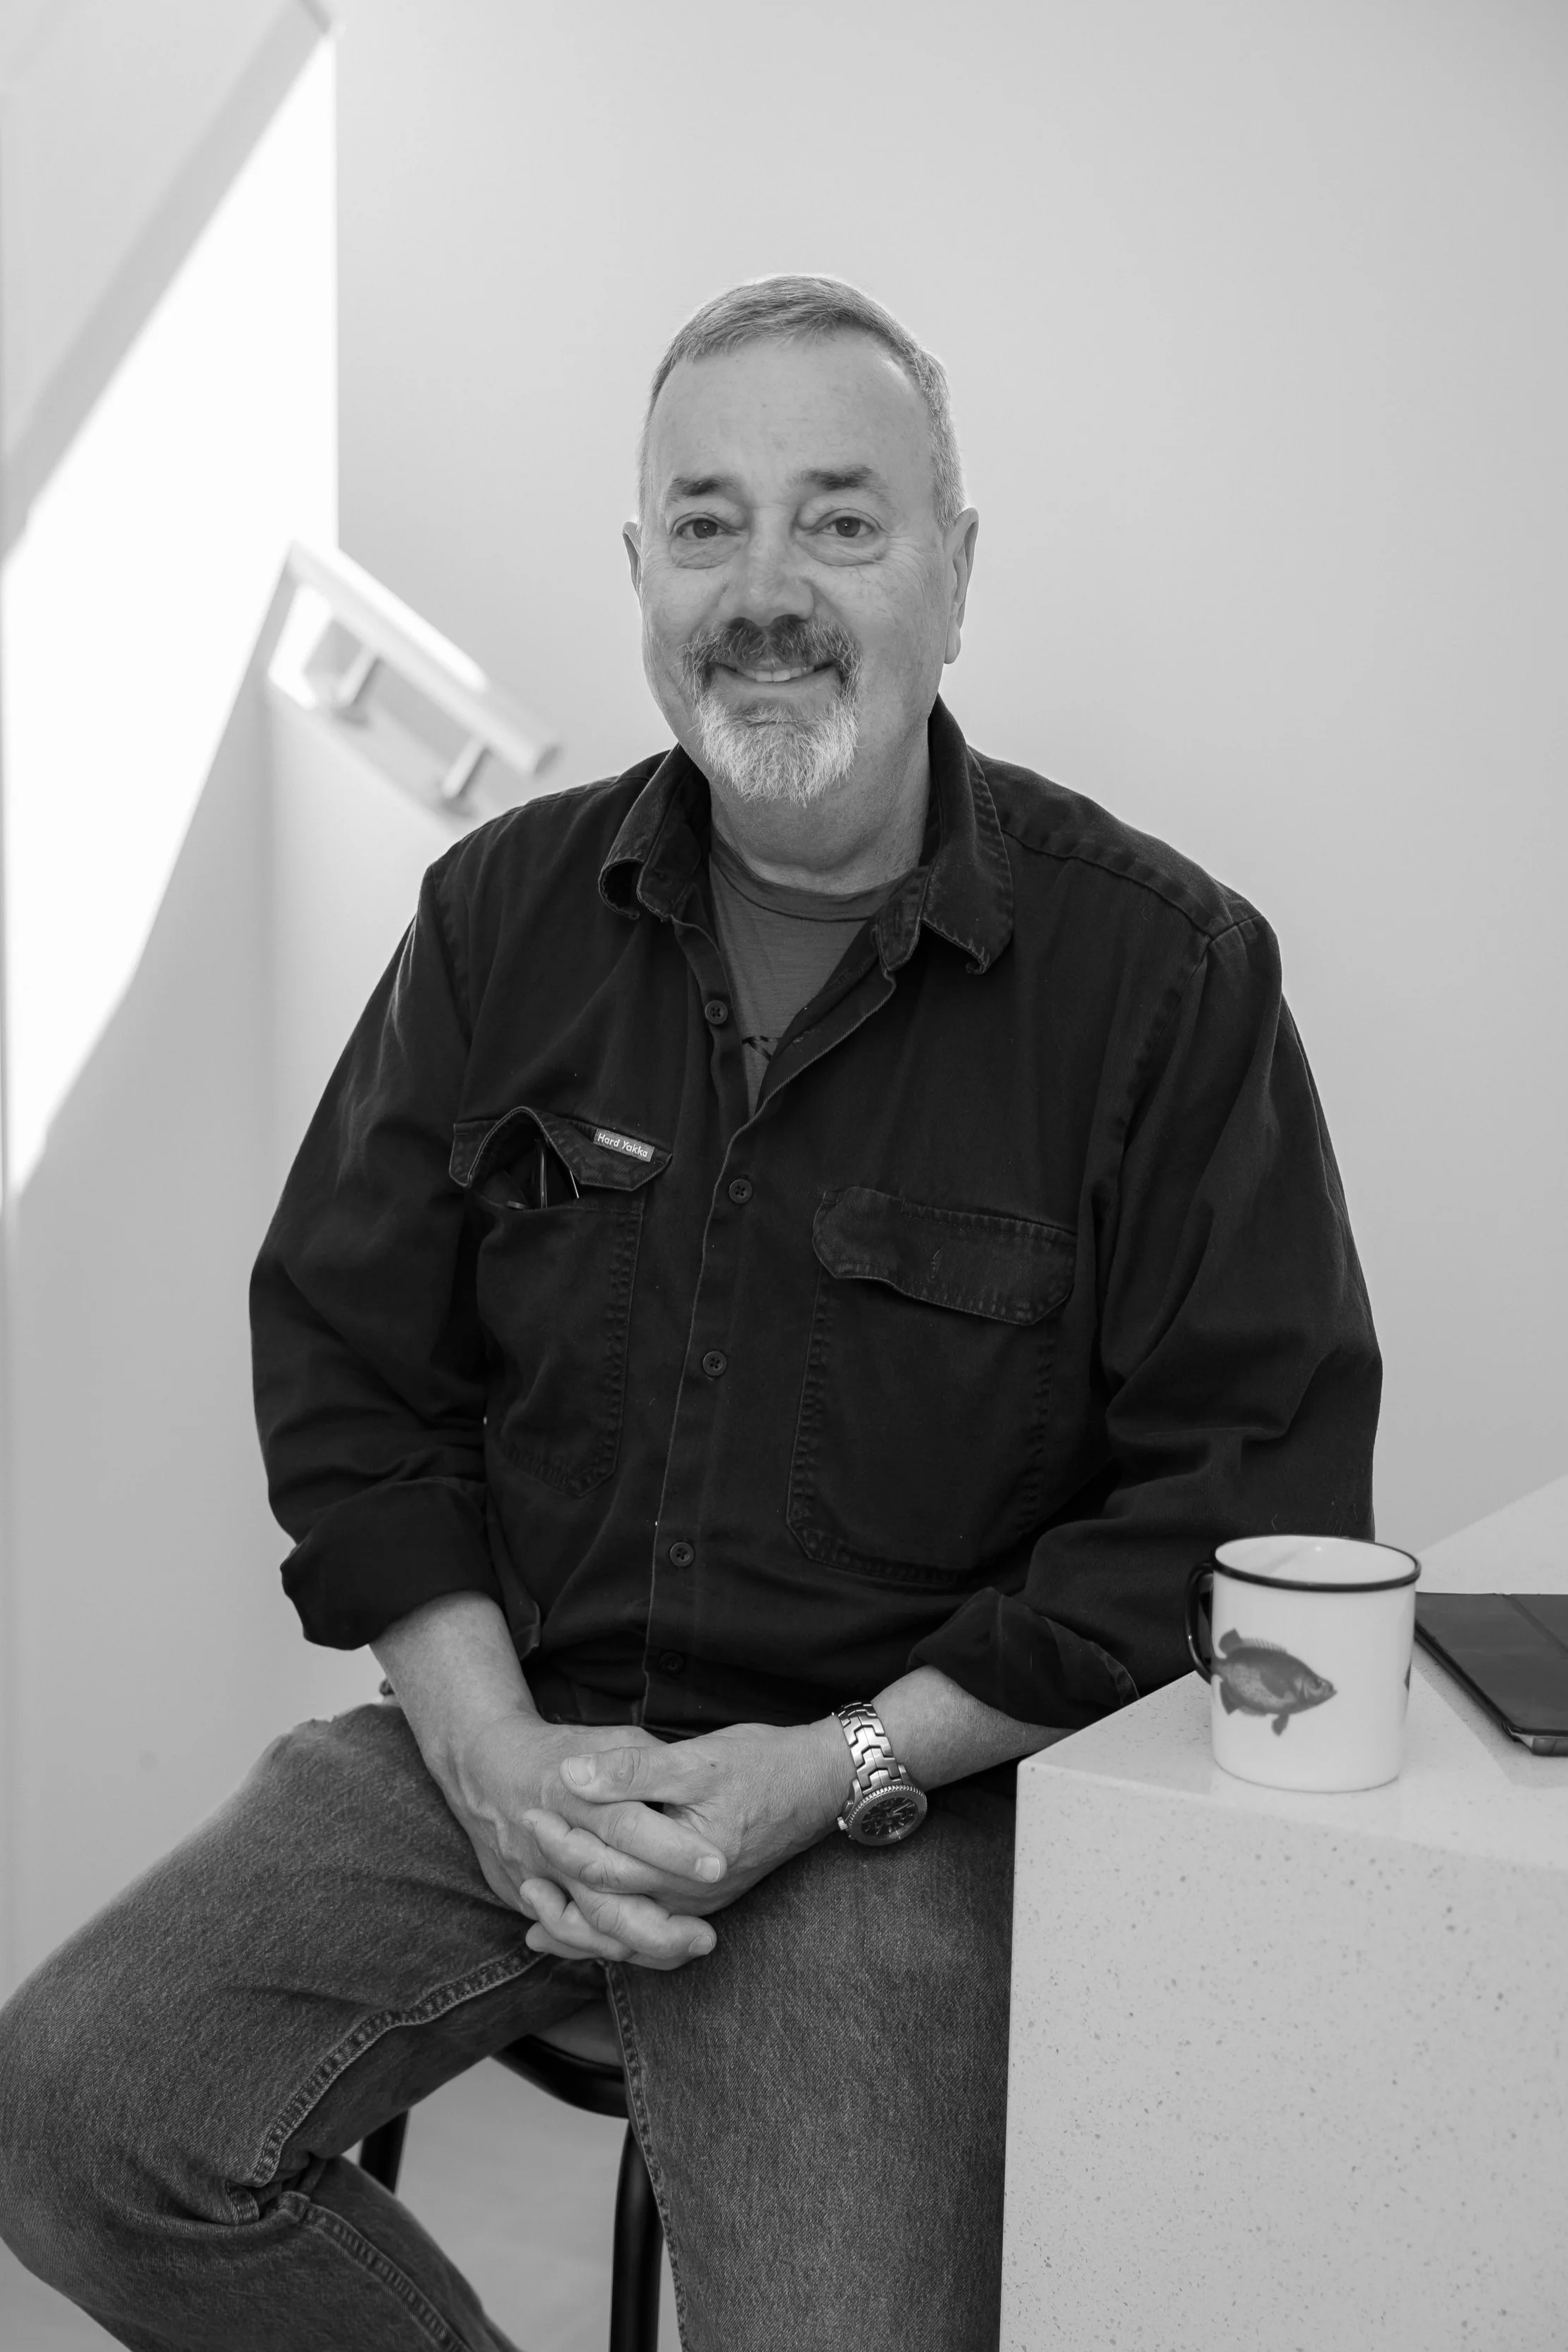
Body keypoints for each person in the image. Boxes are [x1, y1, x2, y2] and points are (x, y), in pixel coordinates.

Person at [0, 274, 1379, 2351]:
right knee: (76, 2110)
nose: (766, 588)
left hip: (891, 1804)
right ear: (639, 571)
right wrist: (486, 1757)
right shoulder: (496, 919)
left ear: (954, 568)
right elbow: (354, 1375)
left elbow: (1229, 1504)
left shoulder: (1163, 982)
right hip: (512, 1740)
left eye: (839, 518)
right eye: (706, 521)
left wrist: (817, 1772)